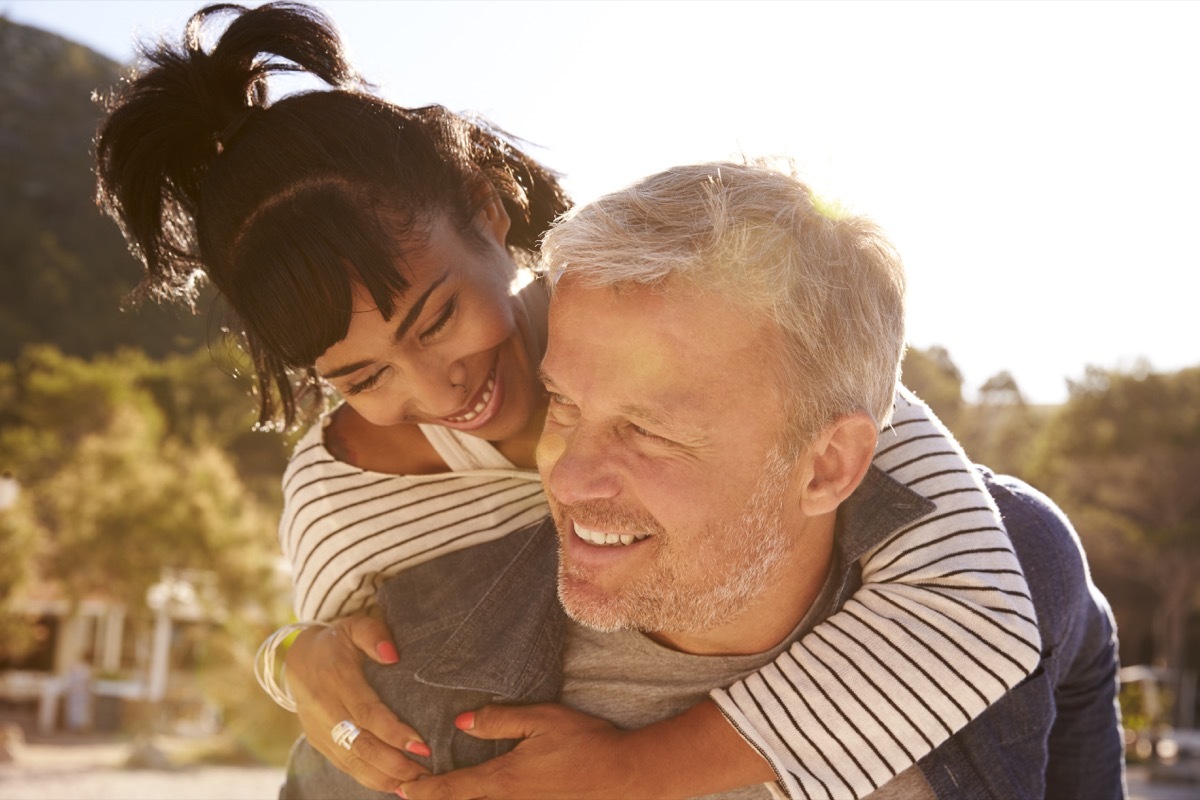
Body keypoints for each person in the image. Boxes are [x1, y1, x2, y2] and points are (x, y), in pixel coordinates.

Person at [94, 4, 1041, 797]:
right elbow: (352, 671)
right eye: (363, 376)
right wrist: (289, 655)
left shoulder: (669, 313)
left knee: (1027, 528)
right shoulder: (346, 501)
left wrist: (636, 772)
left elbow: (989, 605)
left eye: (435, 319)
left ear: (487, 212)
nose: (437, 392)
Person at [285, 161, 1126, 800]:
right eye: (563, 404)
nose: (569, 477)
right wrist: (283, 656)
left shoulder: (1010, 566)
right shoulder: (415, 690)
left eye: (648, 429)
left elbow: (1078, 649)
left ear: (829, 463)